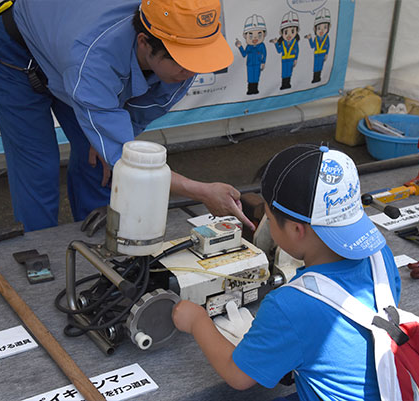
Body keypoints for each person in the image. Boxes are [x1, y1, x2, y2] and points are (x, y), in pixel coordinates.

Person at [0, 0, 254, 232]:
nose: (192, 73)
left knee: (96, 159)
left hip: (68, 47)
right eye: (183, 63)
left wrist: (115, 148)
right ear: (145, 43)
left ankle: (95, 240)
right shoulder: (93, 59)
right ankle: (38, 257)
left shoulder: (189, 32)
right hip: (12, 49)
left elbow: (135, 121)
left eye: (199, 60)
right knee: (38, 167)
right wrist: (202, 191)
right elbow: (135, 167)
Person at [172, 143, 401, 400]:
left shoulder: (290, 305)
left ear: (295, 229)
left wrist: (197, 321)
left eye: (268, 217)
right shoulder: (380, 257)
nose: (267, 223)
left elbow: (238, 376)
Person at [235, 14, 267, 95]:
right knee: (250, 78)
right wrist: (240, 47)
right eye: (251, 35)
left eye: (259, 35)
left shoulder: (262, 45)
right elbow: (244, 54)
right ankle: (250, 90)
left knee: (256, 77)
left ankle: (255, 89)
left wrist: (263, 62)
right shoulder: (249, 46)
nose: (255, 38)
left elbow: (264, 53)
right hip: (249, 64)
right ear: (245, 36)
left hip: (257, 63)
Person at [305, 8, 331, 84]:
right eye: (319, 28)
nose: (321, 30)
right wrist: (310, 39)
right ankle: (315, 78)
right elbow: (312, 46)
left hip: (322, 54)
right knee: (315, 66)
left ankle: (318, 77)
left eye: (325, 28)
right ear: (315, 29)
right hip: (316, 54)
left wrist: (326, 54)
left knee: (320, 66)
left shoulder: (326, 38)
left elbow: (328, 46)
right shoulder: (316, 38)